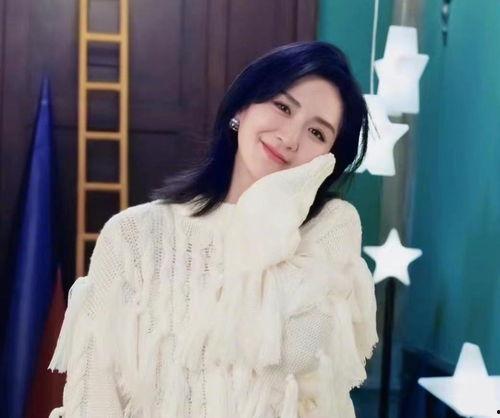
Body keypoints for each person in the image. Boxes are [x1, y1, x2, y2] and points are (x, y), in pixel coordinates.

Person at [48, 41, 378, 418]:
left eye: (317, 133)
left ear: (329, 161)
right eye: (283, 107)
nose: (290, 138)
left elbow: (290, 358)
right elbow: (94, 396)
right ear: (242, 106)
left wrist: (273, 206)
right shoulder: (133, 235)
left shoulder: (330, 228)